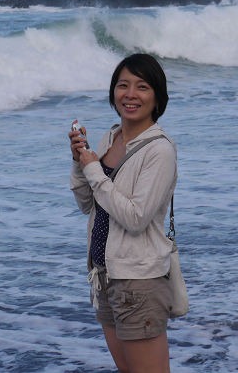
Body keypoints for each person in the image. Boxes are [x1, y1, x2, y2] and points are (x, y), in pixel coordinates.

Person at [69, 53, 177, 372]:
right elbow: (87, 204)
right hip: (104, 276)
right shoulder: (110, 137)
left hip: (138, 280)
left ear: (157, 96)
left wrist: (93, 170)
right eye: (122, 85)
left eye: (142, 87)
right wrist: (79, 161)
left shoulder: (159, 150)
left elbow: (135, 218)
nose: (130, 94)